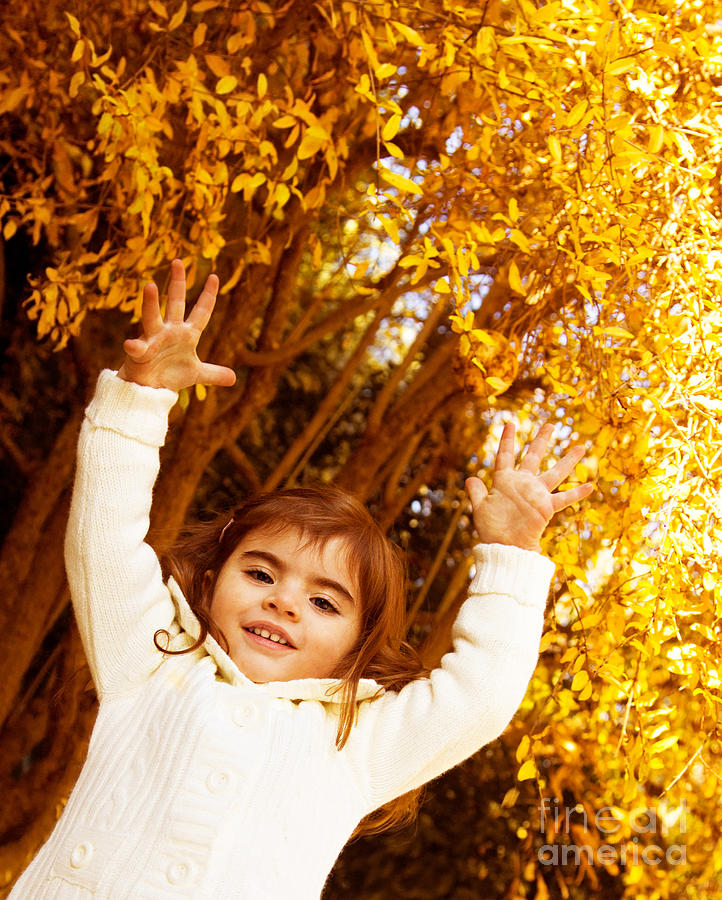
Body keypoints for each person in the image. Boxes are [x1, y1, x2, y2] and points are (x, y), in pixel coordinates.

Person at [10, 260, 593, 899]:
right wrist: (140, 395)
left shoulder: (353, 742)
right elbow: (102, 536)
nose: (283, 601)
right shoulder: (153, 662)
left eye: (322, 601)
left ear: (357, 647)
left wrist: (509, 550)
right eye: (260, 572)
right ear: (208, 584)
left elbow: (479, 697)